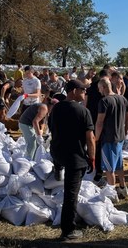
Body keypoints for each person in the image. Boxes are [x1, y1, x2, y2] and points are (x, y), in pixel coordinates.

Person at [48, 79, 95, 240]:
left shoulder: (56, 108)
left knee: (69, 192)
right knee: (71, 195)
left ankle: (58, 168)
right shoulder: (83, 111)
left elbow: (52, 128)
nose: (85, 93)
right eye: (83, 90)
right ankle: (68, 230)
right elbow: (90, 138)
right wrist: (92, 158)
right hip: (75, 157)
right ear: (74, 90)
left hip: (58, 152)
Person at [95, 78, 128, 199]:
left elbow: (99, 122)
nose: (99, 91)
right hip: (120, 137)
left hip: (108, 138)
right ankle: (123, 187)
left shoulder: (104, 101)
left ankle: (112, 194)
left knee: (109, 168)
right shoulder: (122, 99)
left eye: (99, 88)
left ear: (104, 87)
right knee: (119, 165)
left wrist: (96, 138)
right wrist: (125, 131)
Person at [85, 69, 110, 184]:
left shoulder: (90, 88)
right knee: (99, 145)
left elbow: (85, 103)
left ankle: (92, 167)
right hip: (101, 120)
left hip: (90, 118)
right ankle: (99, 171)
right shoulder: (105, 89)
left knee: (91, 143)